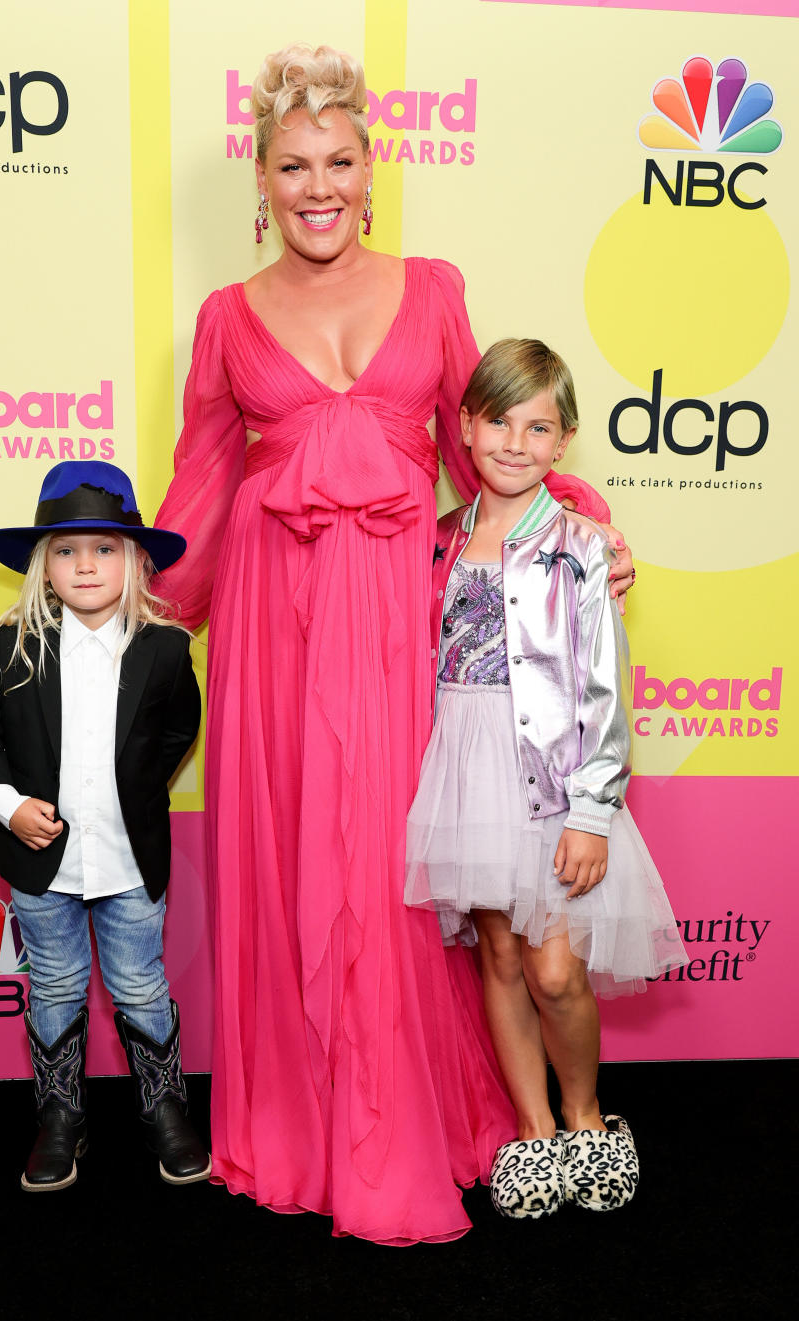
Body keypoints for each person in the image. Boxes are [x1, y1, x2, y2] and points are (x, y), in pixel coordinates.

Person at [152, 44, 634, 1243]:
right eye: (291, 166)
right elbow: (202, 483)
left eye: (340, 162)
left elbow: (484, 458)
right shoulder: (224, 318)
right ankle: (307, 1128)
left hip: (403, 622)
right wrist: (134, 605)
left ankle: (423, 1117)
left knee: (394, 872)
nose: (318, 186)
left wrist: (588, 533)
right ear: (258, 182)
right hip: (275, 625)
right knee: (296, 857)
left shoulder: (432, 286)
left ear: (374, 172)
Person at [405, 340, 688, 1219]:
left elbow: (603, 686)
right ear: (466, 427)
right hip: (461, 764)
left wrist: (592, 810)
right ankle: (531, 1131)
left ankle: (584, 1115)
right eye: (498, 420)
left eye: (538, 426)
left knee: (555, 968)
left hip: (549, 778)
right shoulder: (438, 538)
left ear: (564, 440)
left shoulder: (579, 547)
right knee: (496, 950)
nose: (515, 442)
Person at [0, 460, 210, 1192]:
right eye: (66, 550)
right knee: (57, 985)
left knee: (139, 983)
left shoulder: (165, 648)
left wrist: (129, 798)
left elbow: (174, 735)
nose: (85, 564)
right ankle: (61, 1116)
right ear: (43, 566)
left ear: (135, 560)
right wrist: (9, 803)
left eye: (103, 548)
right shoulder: (14, 645)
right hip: (43, 865)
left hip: (131, 861)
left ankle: (165, 1109)